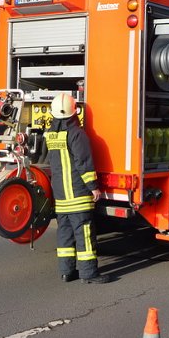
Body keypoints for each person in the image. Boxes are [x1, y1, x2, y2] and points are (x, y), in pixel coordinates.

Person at [45, 93, 110, 284]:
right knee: (84, 234)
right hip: (78, 194)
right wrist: (93, 187)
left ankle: (67, 272)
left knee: (65, 235)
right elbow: (83, 162)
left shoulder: (51, 135)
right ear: (75, 111)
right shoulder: (77, 134)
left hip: (61, 196)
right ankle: (89, 273)